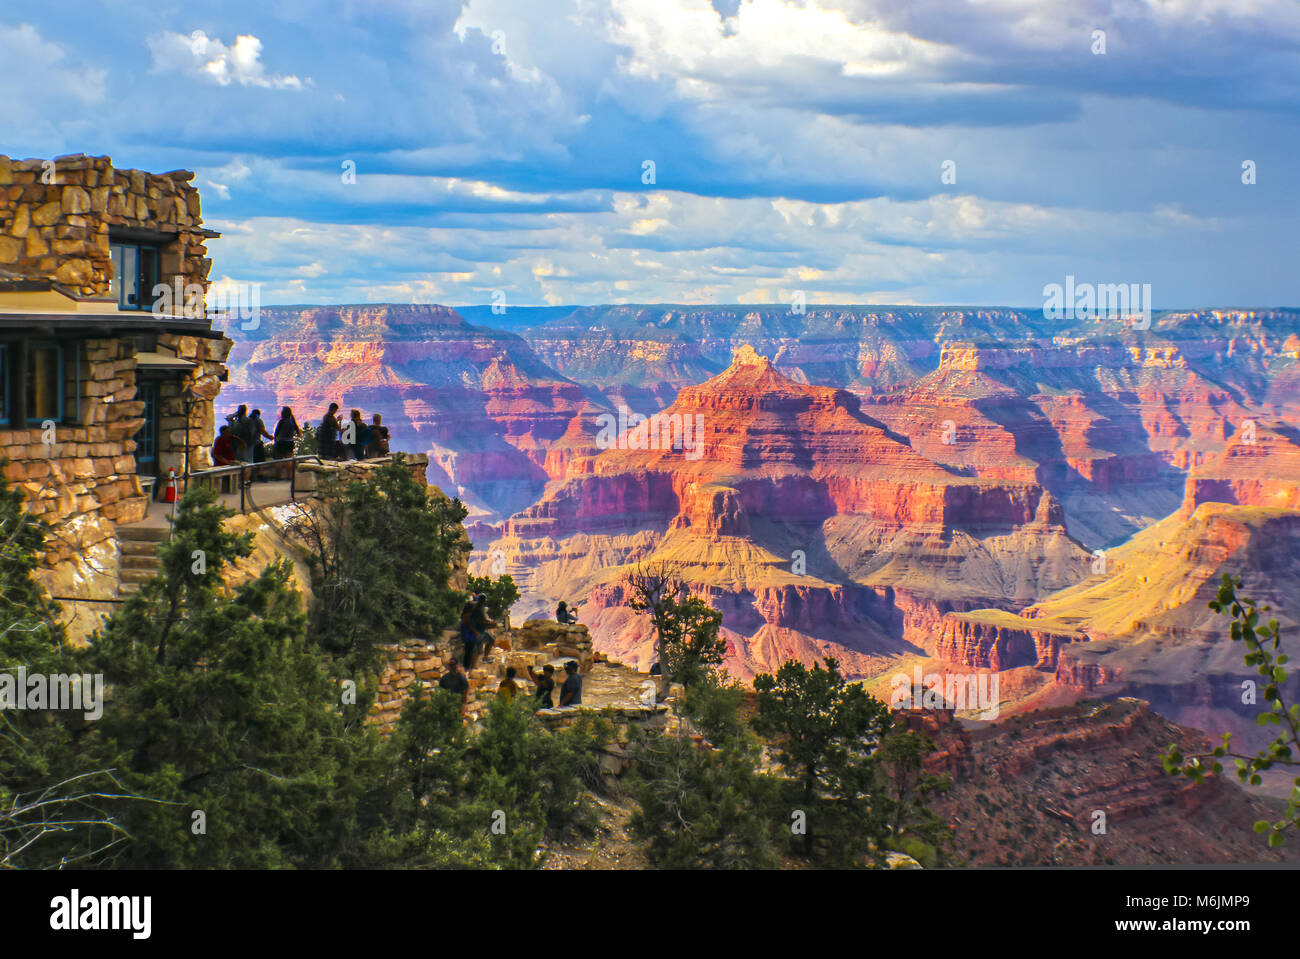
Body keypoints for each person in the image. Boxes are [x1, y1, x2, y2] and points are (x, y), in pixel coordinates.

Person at [471, 593, 500, 664]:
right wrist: (490, 624)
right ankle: (485, 658)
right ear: (483, 601)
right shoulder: (477, 609)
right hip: (477, 631)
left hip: (480, 630)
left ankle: (483, 658)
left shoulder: (480, 608)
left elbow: (483, 619)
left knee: (491, 639)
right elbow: (479, 622)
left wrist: (490, 622)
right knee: (491, 640)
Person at [273, 406, 300, 479]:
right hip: (290, 442)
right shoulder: (292, 422)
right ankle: (289, 476)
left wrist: (276, 440)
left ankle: (278, 476)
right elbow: (297, 431)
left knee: (279, 460)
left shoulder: (282, 421)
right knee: (289, 460)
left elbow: (276, 433)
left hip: (281, 442)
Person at [249, 408, 273, 478]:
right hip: (257, 443)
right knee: (260, 460)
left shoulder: (248, 420)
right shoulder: (258, 421)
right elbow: (262, 431)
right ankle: (260, 474)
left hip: (248, 444)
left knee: (251, 460)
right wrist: (269, 437)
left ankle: (251, 476)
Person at [459, 595, 480, 670]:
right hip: (468, 635)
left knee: (470, 651)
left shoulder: (470, 615)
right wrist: (476, 632)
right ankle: (466, 667)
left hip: (470, 635)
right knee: (468, 651)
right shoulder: (467, 616)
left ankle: (468, 666)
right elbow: (469, 625)